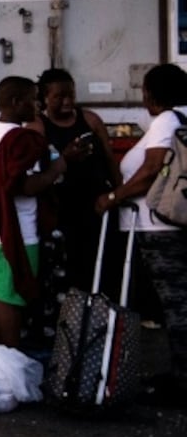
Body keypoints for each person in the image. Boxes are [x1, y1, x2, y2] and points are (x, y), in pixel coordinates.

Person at [94, 63, 187, 404]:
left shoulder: (167, 120)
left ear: (151, 93)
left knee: (177, 305)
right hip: (177, 221)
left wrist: (113, 197)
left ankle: (182, 381)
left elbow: (152, 170)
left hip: (161, 226)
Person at [0, 76, 79, 348]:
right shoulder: (18, 139)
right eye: (33, 100)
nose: (38, 105)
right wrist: (60, 164)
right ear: (16, 102)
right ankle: (11, 358)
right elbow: (24, 186)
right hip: (17, 227)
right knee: (12, 296)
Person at [26, 68, 119, 285]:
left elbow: (109, 159)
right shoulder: (37, 127)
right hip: (61, 208)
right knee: (65, 269)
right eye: (59, 97)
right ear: (45, 98)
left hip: (95, 205)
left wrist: (118, 193)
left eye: (71, 95)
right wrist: (65, 157)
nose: (67, 101)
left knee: (100, 266)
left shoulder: (91, 120)